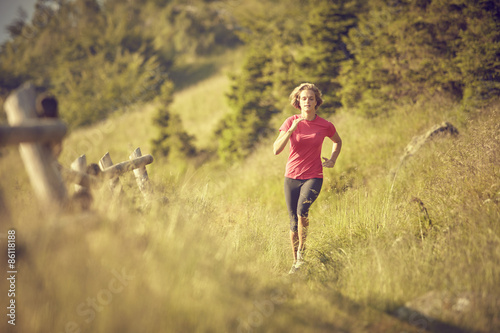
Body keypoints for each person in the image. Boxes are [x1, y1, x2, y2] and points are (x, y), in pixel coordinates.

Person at [273, 83, 342, 274]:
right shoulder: (290, 122)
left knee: (303, 210)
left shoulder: (325, 125)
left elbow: (337, 141)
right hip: (291, 177)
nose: (307, 101)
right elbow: (276, 150)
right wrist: (291, 130)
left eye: (311, 98)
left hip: (314, 175)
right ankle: (295, 263)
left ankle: (302, 256)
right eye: (304, 98)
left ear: (316, 102)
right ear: (298, 101)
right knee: (293, 221)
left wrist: (333, 159)